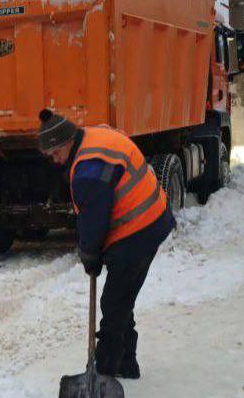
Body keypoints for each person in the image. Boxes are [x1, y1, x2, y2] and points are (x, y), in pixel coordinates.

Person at [38, 109, 175, 379]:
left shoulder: (87, 170)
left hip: (139, 228)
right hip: (150, 217)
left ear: (66, 142)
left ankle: (104, 373)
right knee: (120, 298)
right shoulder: (93, 135)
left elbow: (94, 220)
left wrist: (89, 254)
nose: (55, 161)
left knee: (113, 303)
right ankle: (126, 364)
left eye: (55, 154)